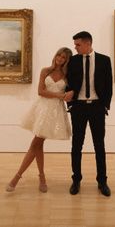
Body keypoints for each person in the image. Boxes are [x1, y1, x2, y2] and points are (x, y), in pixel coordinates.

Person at [6, 47, 72, 193]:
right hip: (42, 109)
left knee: (37, 144)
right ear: (55, 55)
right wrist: (61, 96)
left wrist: (66, 95)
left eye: (63, 58)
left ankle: (20, 177)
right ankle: (31, 177)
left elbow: (70, 92)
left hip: (55, 111)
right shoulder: (45, 71)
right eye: (59, 55)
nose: (60, 59)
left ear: (67, 61)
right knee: (37, 144)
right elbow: (40, 91)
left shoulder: (67, 75)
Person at [64, 31, 113, 197]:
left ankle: (102, 181)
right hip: (78, 108)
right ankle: (76, 180)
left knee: (99, 145)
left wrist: (105, 106)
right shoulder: (73, 61)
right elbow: (68, 83)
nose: (75, 47)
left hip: (97, 108)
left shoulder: (104, 60)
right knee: (77, 145)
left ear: (87, 43)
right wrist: (70, 104)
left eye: (77, 44)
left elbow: (108, 85)